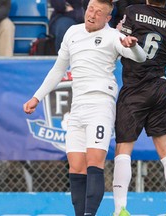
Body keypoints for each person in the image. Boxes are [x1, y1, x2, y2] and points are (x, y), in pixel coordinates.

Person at [23, 0, 146, 215]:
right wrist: (37, 97)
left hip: (100, 103)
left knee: (94, 163)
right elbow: (58, 70)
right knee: (76, 167)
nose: (92, 15)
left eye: (99, 12)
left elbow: (140, 57)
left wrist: (133, 46)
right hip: (77, 105)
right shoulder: (73, 32)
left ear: (108, 19)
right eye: (90, 9)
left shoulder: (113, 36)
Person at [112, 0, 166, 215]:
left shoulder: (133, 11)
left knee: (123, 149)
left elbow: (121, 43)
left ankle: (120, 209)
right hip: (159, 85)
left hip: (135, 86)